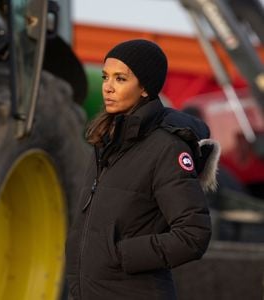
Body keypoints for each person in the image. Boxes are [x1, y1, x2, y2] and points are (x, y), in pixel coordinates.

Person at [65, 39, 220, 300]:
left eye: (120, 79)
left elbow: (194, 234)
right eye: (105, 77)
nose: (108, 88)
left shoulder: (166, 148)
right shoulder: (104, 141)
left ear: (145, 88)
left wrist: (120, 255)